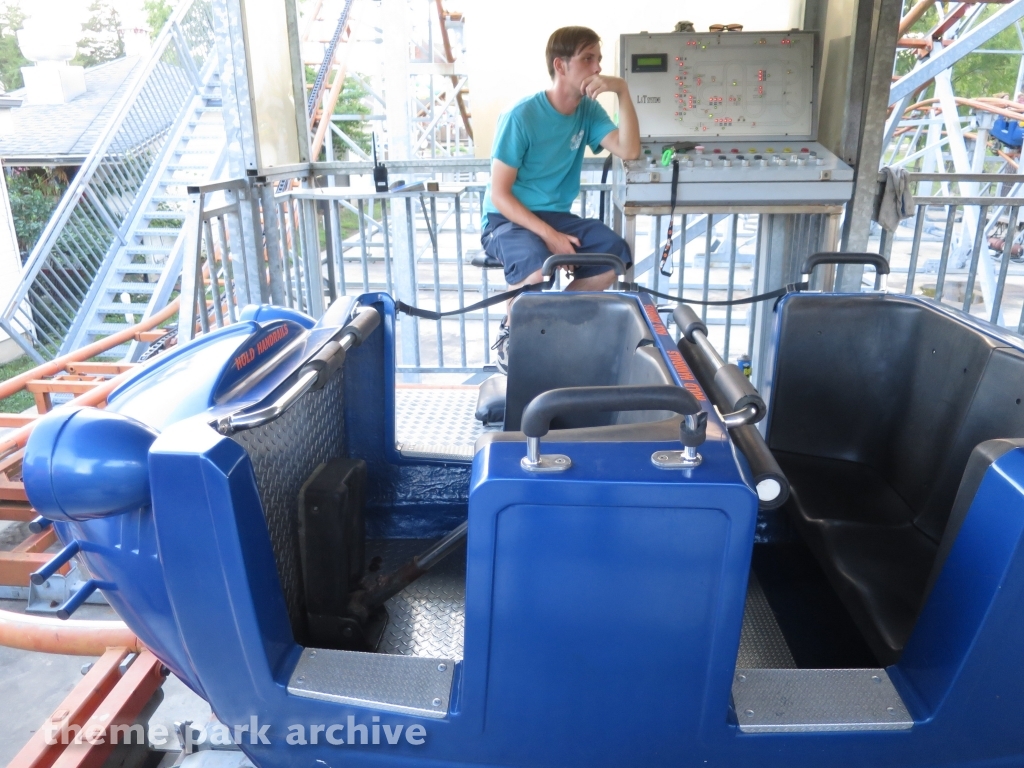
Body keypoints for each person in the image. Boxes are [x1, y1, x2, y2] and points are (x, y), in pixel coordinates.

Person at [481, 25, 641, 372]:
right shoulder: (521, 116)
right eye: (587, 59)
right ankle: (513, 335)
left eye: (598, 59)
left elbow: (629, 149)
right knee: (536, 261)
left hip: (555, 215)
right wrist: (551, 237)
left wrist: (623, 91)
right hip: (506, 218)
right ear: (561, 65)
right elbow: (499, 194)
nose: (598, 68)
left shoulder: (588, 112)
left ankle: (553, 326)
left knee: (615, 254)